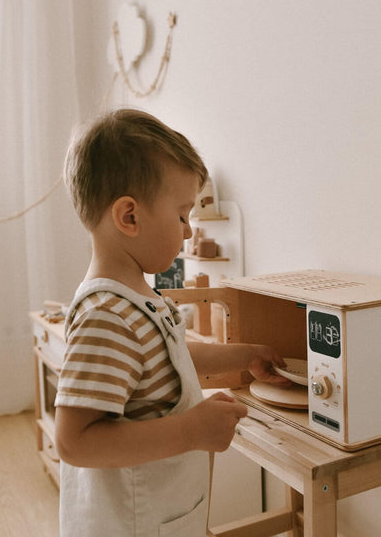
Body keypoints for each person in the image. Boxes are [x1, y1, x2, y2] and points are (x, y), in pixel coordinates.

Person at [54, 108, 291, 537]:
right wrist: (191, 430)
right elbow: (75, 442)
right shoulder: (106, 316)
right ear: (129, 217)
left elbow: (169, 358)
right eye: (182, 215)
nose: (188, 232)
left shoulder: (138, 298)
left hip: (162, 515)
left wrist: (242, 356)